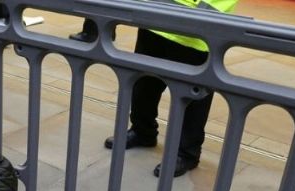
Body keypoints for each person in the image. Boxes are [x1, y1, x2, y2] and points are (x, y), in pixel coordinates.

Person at [72, 0, 239, 177]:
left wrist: (197, 18)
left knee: (193, 100)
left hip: (194, 34)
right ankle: (142, 131)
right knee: (143, 86)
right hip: (154, 22)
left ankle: (186, 153)